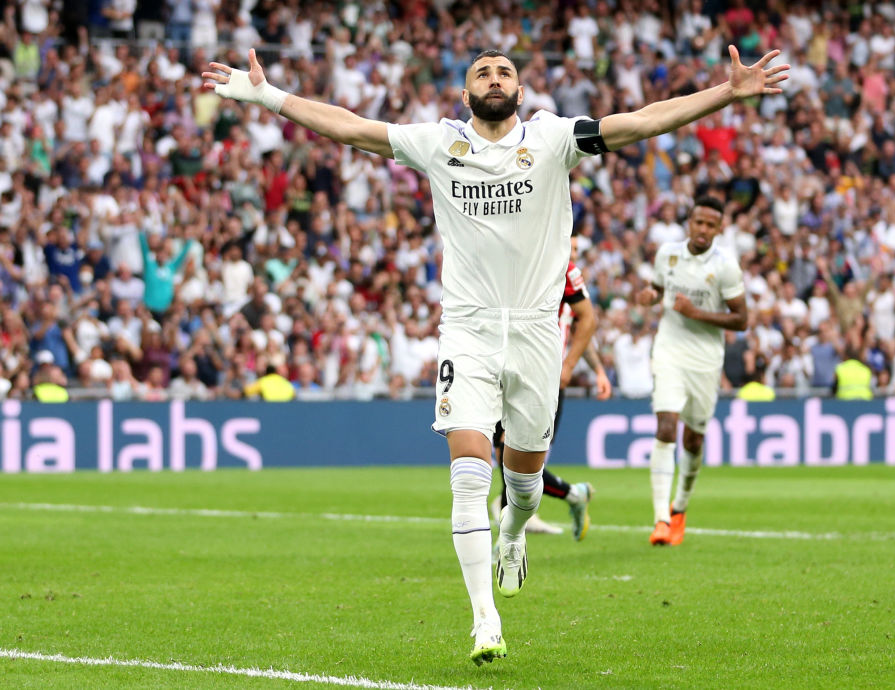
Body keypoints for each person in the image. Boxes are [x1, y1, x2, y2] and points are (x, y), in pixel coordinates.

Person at [203, 44, 787, 665]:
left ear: (520, 89)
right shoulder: (438, 143)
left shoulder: (556, 139)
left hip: (538, 331)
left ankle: (513, 535)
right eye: (481, 71)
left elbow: (640, 121)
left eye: (504, 71)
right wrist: (267, 95)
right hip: (469, 330)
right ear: (464, 93)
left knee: (525, 486)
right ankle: (485, 618)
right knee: (467, 474)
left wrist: (725, 93)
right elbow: (350, 126)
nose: (493, 78)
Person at [636, 196, 749, 547]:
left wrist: (696, 313)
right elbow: (658, 288)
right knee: (666, 424)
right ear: (690, 222)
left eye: (710, 225)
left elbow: (742, 319)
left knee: (693, 438)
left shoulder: (726, 266)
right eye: (698, 222)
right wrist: (651, 296)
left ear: (719, 229)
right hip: (669, 350)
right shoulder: (667, 254)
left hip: (705, 360)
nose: (702, 230)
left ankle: (680, 507)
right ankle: (660, 519)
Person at [492, 248, 613, 541]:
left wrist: (584, 368)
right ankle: (573, 494)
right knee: (506, 456)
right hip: (509, 376)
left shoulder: (567, 281)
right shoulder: (532, 277)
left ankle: (508, 540)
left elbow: (584, 330)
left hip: (546, 382)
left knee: (518, 458)